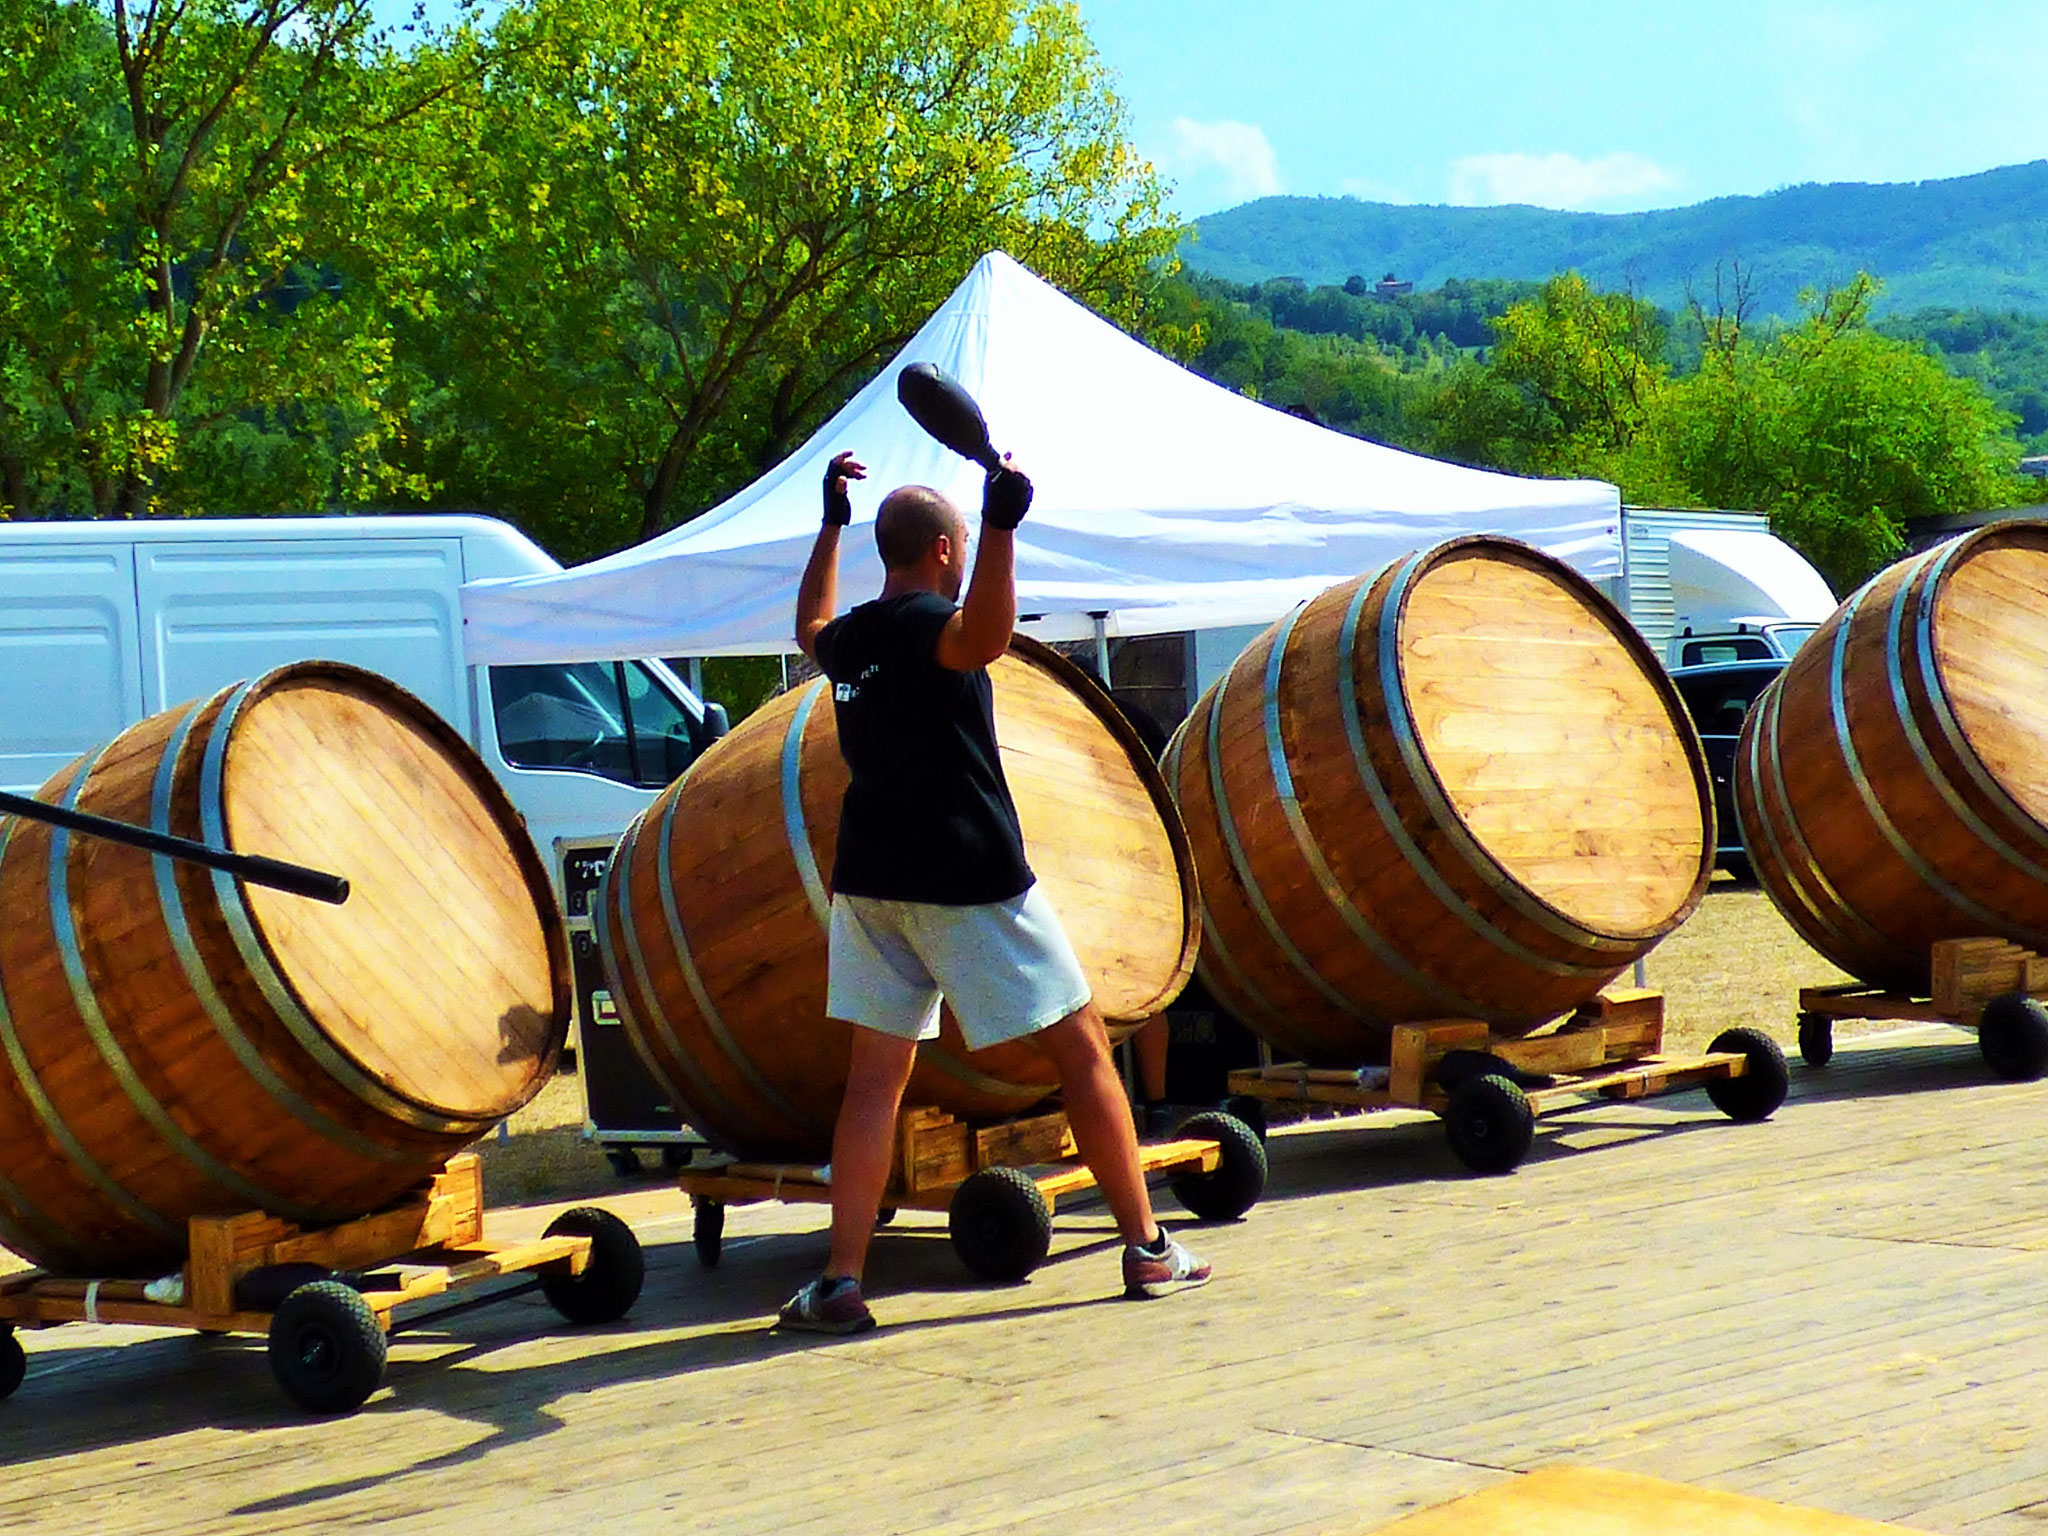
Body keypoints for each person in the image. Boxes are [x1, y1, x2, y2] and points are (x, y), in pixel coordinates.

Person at [778, 447, 1212, 1334]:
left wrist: (828, 522)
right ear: (942, 551)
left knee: (873, 1085)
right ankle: (1147, 1250)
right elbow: (985, 636)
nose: (971, 552)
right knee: (1085, 1049)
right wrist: (1008, 525)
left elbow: (808, 620)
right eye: (967, 541)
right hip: (966, 877)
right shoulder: (934, 625)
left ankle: (841, 1282)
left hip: (871, 886)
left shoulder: (852, 639)